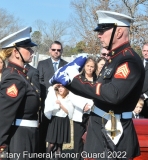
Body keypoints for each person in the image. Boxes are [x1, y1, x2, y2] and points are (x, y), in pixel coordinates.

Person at [57, 10, 144, 159]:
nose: (99, 35)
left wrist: (74, 80)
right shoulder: (114, 59)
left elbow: (112, 94)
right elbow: (98, 92)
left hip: (113, 134)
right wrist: (71, 83)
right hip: (102, 130)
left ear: (119, 32)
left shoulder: (129, 60)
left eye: (103, 30)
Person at [0, 27, 40, 160]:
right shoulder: (14, 78)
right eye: (28, 48)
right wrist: (1, 150)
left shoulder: (21, 75)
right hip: (19, 139)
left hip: (26, 136)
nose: (32, 51)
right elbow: (2, 118)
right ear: (16, 52)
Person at [37, 41, 67, 154]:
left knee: (58, 132)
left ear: (61, 51)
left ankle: (57, 153)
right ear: (50, 50)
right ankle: (41, 154)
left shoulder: (66, 65)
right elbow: (39, 81)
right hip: (46, 103)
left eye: (58, 50)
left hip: (61, 104)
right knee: (43, 129)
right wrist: (51, 89)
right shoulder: (42, 64)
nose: (56, 52)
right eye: (54, 50)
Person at [69, 56, 97, 160]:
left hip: (93, 113)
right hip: (79, 113)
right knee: (78, 141)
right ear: (84, 66)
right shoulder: (78, 79)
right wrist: (83, 105)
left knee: (90, 140)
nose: (90, 68)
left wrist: (90, 106)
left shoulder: (97, 80)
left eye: (92, 67)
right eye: (88, 66)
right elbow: (72, 96)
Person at [44, 84, 74, 160]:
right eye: (59, 87)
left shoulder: (69, 97)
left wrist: (61, 105)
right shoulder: (55, 95)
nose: (60, 89)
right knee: (51, 144)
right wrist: (54, 86)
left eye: (62, 87)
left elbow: (69, 111)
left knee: (59, 146)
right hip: (55, 120)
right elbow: (50, 92)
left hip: (63, 121)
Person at [140, 43, 148, 118]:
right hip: (137, 101)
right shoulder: (138, 63)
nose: (146, 53)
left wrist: (145, 95)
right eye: (144, 50)